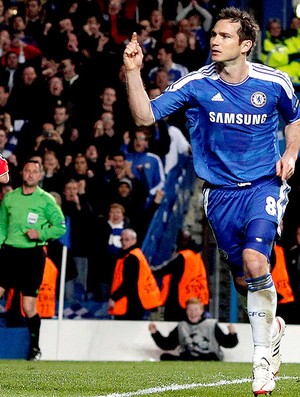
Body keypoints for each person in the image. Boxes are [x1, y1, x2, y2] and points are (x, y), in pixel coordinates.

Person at [123, 7, 300, 395]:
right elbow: (143, 117)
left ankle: (262, 363)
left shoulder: (275, 83)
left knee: (257, 262)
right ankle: (271, 326)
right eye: (214, 35)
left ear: (246, 44)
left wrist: (290, 154)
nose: (214, 41)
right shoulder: (196, 85)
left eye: (224, 36)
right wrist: (134, 73)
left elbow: (293, 118)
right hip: (219, 195)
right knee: (245, 279)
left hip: (263, 186)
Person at [0, 159, 66, 360]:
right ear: (22, 173)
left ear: (40, 175)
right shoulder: (9, 198)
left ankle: (35, 348)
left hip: (32, 256)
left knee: (28, 306)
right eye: (26, 171)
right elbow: (2, 225)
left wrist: (40, 233)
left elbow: (60, 226)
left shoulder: (46, 200)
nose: (30, 175)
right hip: (10, 253)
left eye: (34, 172)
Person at [149, 297, 238, 361]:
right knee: (164, 356)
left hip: (208, 357)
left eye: (195, 309)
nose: (193, 313)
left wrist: (232, 334)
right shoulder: (182, 325)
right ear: (186, 311)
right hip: (188, 357)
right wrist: (155, 333)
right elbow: (168, 344)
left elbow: (228, 343)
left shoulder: (211, 324)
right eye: (190, 310)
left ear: (201, 311)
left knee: (211, 357)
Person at [153, 229, 209, 321]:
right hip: (194, 300)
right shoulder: (196, 257)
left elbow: (163, 270)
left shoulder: (182, 257)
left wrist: (147, 270)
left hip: (179, 301)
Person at [108, 228, 162, 320]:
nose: (124, 242)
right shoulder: (136, 255)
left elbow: (129, 283)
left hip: (131, 303)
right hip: (136, 301)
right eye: (122, 239)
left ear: (134, 240)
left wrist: (114, 297)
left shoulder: (131, 258)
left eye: (127, 240)